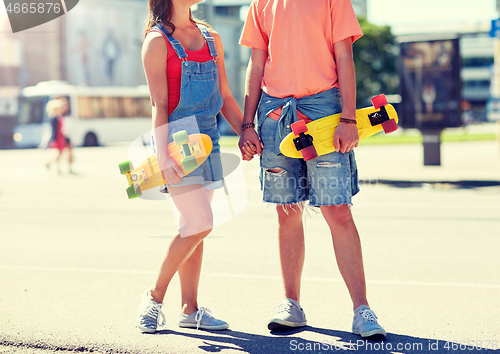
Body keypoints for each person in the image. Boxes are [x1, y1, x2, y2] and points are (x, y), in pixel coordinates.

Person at [238, 0, 387, 340]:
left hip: (324, 110)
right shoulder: (261, 2)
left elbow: (345, 56)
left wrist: (348, 117)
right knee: (287, 212)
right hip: (275, 112)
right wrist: (248, 124)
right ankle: (291, 304)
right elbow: (256, 62)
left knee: (338, 210)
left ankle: (362, 310)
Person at [138, 0, 254, 333]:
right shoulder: (157, 41)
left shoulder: (211, 37)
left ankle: (190, 309)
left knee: (193, 229)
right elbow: (159, 104)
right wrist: (162, 157)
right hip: (175, 137)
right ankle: (154, 297)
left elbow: (227, 96)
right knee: (201, 222)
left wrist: (246, 130)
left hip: (209, 136)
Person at [45, 98, 74, 174]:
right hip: (58, 138)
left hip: (62, 137)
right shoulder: (54, 118)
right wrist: (53, 139)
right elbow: (54, 130)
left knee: (62, 153)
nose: (61, 109)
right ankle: (51, 164)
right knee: (59, 153)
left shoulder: (60, 117)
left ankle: (55, 166)